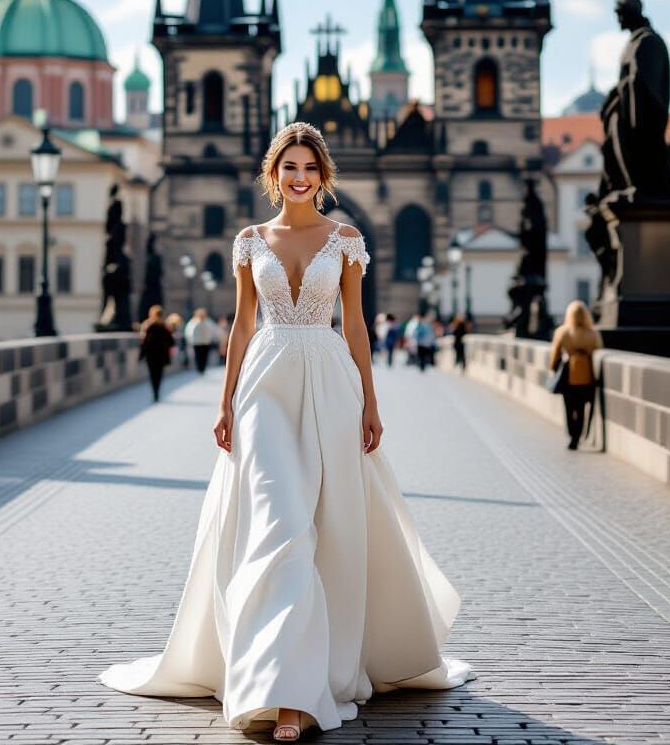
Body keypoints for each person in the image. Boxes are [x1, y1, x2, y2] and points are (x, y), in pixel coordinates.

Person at [99, 121, 475, 739]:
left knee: (326, 523)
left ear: (322, 178)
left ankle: (306, 680)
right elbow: (242, 327)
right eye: (288, 168)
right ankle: (284, 688)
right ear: (272, 175)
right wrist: (224, 403)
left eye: (309, 168)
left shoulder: (346, 239)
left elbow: (354, 326)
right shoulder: (250, 240)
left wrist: (371, 402)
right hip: (265, 383)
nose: (299, 178)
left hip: (329, 381)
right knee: (280, 522)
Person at [548, 300, 603, 450]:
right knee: (580, 407)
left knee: (569, 406)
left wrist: (553, 368)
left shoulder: (563, 332)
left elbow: (555, 355)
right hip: (586, 375)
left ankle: (572, 434)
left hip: (568, 374)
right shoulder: (592, 334)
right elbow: (598, 351)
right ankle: (578, 435)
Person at [138, 305, 174, 403]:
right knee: (159, 374)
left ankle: (155, 392)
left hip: (151, 354)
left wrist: (141, 355)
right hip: (161, 354)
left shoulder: (147, 325)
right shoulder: (165, 326)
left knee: (152, 374)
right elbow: (171, 342)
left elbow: (143, 342)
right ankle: (157, 391)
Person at [185, 307, 220, 374]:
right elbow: (189, 333)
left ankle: (203, 368)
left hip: (205, 342)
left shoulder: (208, 322)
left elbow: (213, 331)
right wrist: (190, 341)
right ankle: (199, 369)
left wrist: (211, 339)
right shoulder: (193, 322)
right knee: (198, 356)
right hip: (196, 343)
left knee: (204, 356)